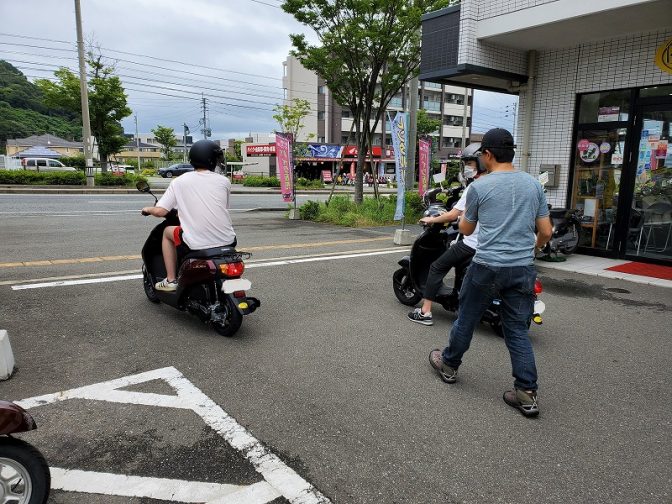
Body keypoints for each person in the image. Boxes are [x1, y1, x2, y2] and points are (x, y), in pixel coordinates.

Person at [427, 128, 553, 418]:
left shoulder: (480, 187)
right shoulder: (533, 185)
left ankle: (449, 366)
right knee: (517, 330)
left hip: (486, 266)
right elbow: (545, 231)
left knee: (466, 319)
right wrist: (532, 250)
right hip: (521, 268)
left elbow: (466, 229)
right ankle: (526, 393)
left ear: (487, 154)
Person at [141, 140, 237, 292]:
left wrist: (147, 209)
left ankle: (171, 280)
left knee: (166, 233)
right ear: (212, 160)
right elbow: (223, 207)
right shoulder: (224, 181)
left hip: (197, 242)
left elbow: (161, 211)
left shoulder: (179, 181)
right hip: (228, 240)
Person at [407, 143, 486, 326]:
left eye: (470, 164)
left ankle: (425, 312)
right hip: (491, 245)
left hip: (473, 243)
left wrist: (431, 220)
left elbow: (452, 215)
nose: (467, 168)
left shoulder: (476, 187)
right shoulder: (496, 184)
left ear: (481, 162)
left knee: (436, 267)